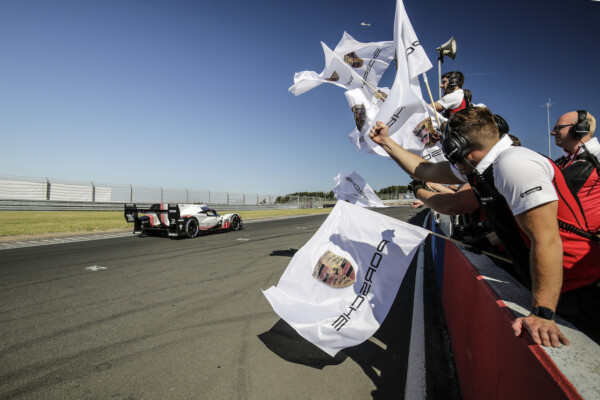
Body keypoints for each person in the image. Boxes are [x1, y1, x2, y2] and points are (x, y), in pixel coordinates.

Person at [369, 107, 600, 347]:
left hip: (578, 286)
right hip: (555, 282)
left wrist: (542, 313)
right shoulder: (483, 166)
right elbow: (425, 170)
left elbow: (546, 240)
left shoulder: (514, 164)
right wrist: (386, 142)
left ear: (457, 148)